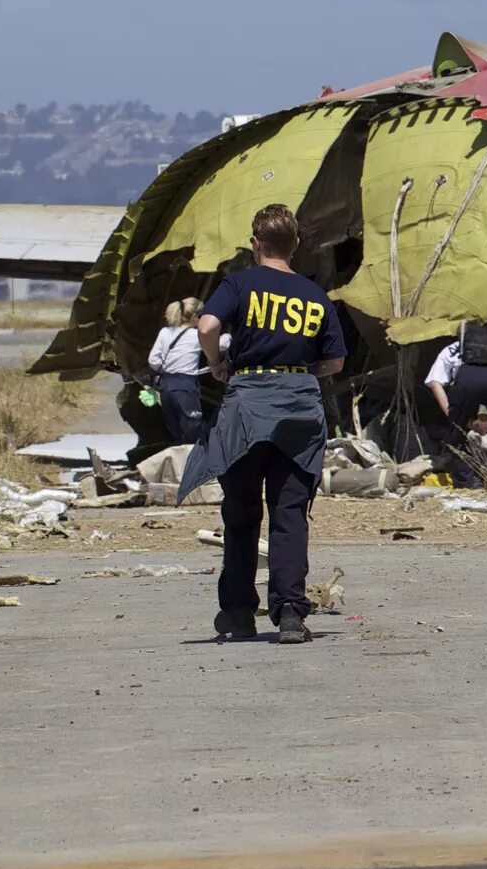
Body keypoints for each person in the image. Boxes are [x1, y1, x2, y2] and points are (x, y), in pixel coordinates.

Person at [178, 204, 343, 644]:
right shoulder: (314, 294)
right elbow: (336, 360)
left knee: (242, 511)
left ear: (255, 243)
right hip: (299, 410)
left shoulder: (239, 283)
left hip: (247, 407)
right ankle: (290, 611)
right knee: (290, 513)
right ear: (296, 244)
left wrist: (217, 363)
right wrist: (301, 370)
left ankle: (237, 611)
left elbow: (208, 324)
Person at [424, 318, 487, 483]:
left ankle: (466, 482)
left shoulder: (449, 350)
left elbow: (434, 383)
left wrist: (451, 414)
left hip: (466, 382)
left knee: (456, 437)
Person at [145, 297, 208, 444]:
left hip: (166, 386)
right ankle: (196, 462)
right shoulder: (196, 335)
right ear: (193, 316)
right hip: (185, 386)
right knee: (194, 427)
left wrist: (167, 367)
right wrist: (229, 337)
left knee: (175, 429)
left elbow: (153, 360)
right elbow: (220, 345)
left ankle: (180, 460)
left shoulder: (165, 332)